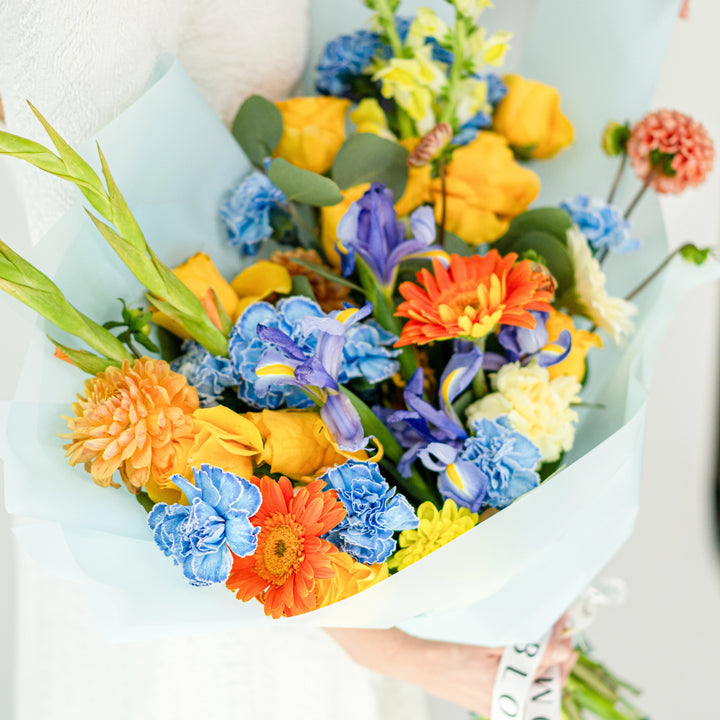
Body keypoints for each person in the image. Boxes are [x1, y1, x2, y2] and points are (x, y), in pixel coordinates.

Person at [0, 1, 575, 718]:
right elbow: (123, 344)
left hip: (344, 507)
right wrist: (388, 648)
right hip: (207, 559)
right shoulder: (71, 19)